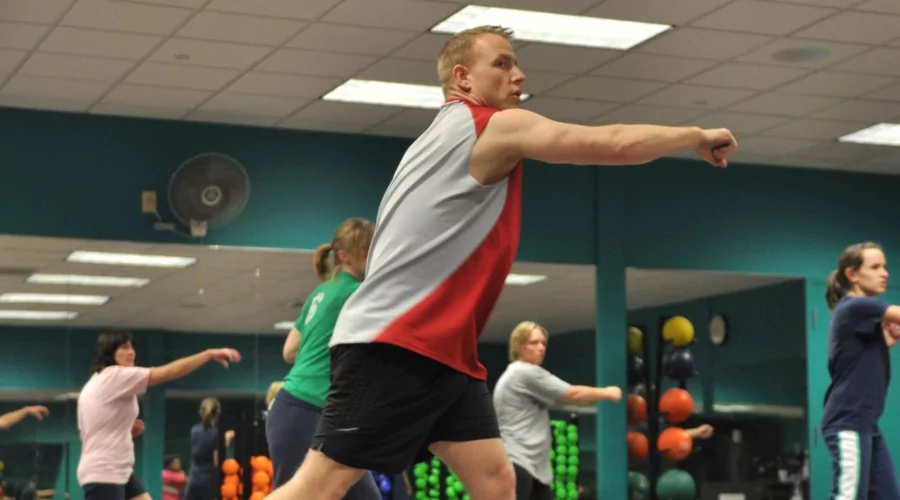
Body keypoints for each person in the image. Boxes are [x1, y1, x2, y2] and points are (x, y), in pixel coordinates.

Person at [265, 24, 738, 500]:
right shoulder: (486, 125)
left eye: (516, 63)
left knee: (496, 479)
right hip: (395, 345)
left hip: (445, 354)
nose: (519, 74)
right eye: (503, 63)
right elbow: (610, 141)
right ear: (462, 78)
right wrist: (693, 136)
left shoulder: (432, 141)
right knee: (319, 487)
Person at [265, 218, 379, 499]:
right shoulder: (356, 293)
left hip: (311, 411)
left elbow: (290, 351)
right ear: (344, 255)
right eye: (366, 252)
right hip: (304, 409)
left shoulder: (321, 292)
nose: (374, 258)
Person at [76, 331, 240, 500]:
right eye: (124, 348)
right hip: (104, 472)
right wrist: (207, 355)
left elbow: (87, 435)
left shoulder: (96, 381)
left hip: (118, 468)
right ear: (109, 353)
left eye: (132, 347)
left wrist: (124, 430)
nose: (131, 352)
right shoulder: (115, 375)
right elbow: (169, 372)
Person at [492, 321, 622, 500]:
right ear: (519, 346)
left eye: (543, 343)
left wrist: (597, 407)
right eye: (534, 343)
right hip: (518, 462)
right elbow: (572, 394)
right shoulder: (525, 373)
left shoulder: (514, 376)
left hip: (529, 467)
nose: (541, 348)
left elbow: (562, 402)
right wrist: (608, 392)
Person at [822, 241, 900, 499]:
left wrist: (882, 346)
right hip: (848, 421)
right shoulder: (855, 307)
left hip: (866, 424)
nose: (884, 273)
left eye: (885, 267)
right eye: (875, 267)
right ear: (852, 274)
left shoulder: (860, 315)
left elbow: (851, 361)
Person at [183, 398, 235, 500]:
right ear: (218, 412)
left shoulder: (194, 430)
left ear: (200, 412)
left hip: (194, 479)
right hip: (209, 480)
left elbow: (202, 445)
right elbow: (216, 460)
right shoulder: (217, 433)